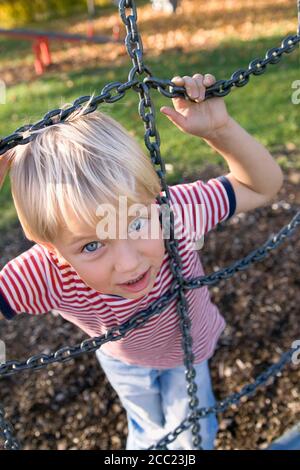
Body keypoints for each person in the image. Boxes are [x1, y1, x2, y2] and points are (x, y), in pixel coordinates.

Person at [0, 72, 283, 450]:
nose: (129, 262)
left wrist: (222, 130)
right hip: (121, 359)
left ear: (153, 198)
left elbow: (261, 186)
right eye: (91, 246)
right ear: (51, 249)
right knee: (147, 429)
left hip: (188, 347)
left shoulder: (173, 213)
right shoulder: (44, 273)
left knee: (192, 434)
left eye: (135, 223)